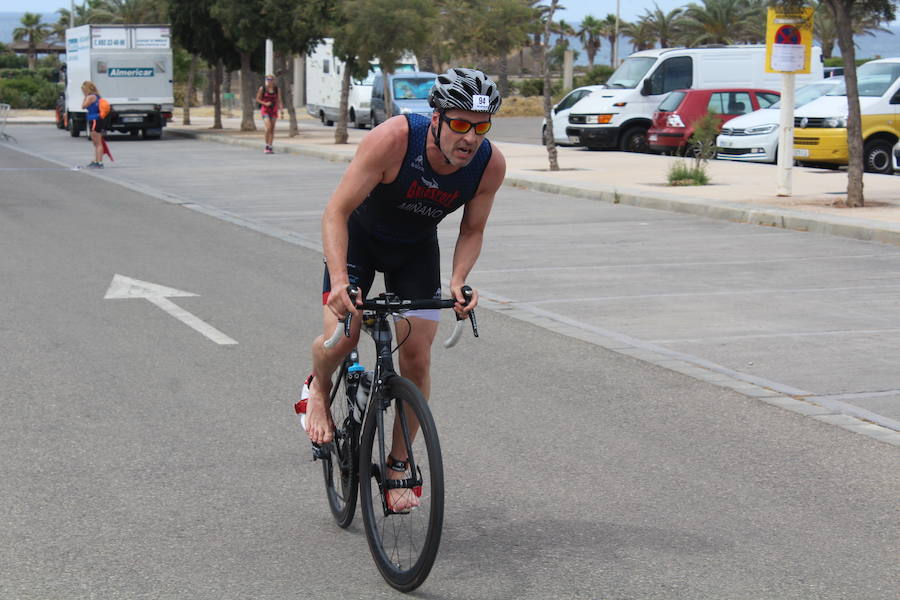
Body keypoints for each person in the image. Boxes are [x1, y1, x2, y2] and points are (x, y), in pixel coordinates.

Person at [302, 68, 506, 512]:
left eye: (480, 126)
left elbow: (472, 230)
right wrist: (339, 281)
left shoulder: (489, 165)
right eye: (459, 123)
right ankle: (317, 390)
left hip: (415, 251)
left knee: (417, 356)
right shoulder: (394, 139)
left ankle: (398, 461)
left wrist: (457, 282)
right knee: (345, 336)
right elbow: (335, 212)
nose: (469, 137)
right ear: (435, 118)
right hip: (358, 242)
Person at [81, 81, 105, 168]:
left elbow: (83, 106)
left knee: (97, 142)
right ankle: (97, 160)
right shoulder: (97, 96)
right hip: (96, 119)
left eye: (83, 90)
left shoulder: (90, 97)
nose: (82, 92)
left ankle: (99, 162)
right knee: (96, 142)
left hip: (95, 119)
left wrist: (85, 98)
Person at [255, 75, 282, 154]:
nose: (269, 81)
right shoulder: (262, 88)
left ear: (274, 80)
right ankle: (266, 145)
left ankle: (270, 146)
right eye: (268, 79)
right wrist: (265, 103)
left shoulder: (277, 89)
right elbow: (257, 99)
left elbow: (279, 99)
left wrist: (281, 109)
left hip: (274, 110)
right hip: (265, 110)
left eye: (271, 79)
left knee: (272, 129)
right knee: (268, 127)